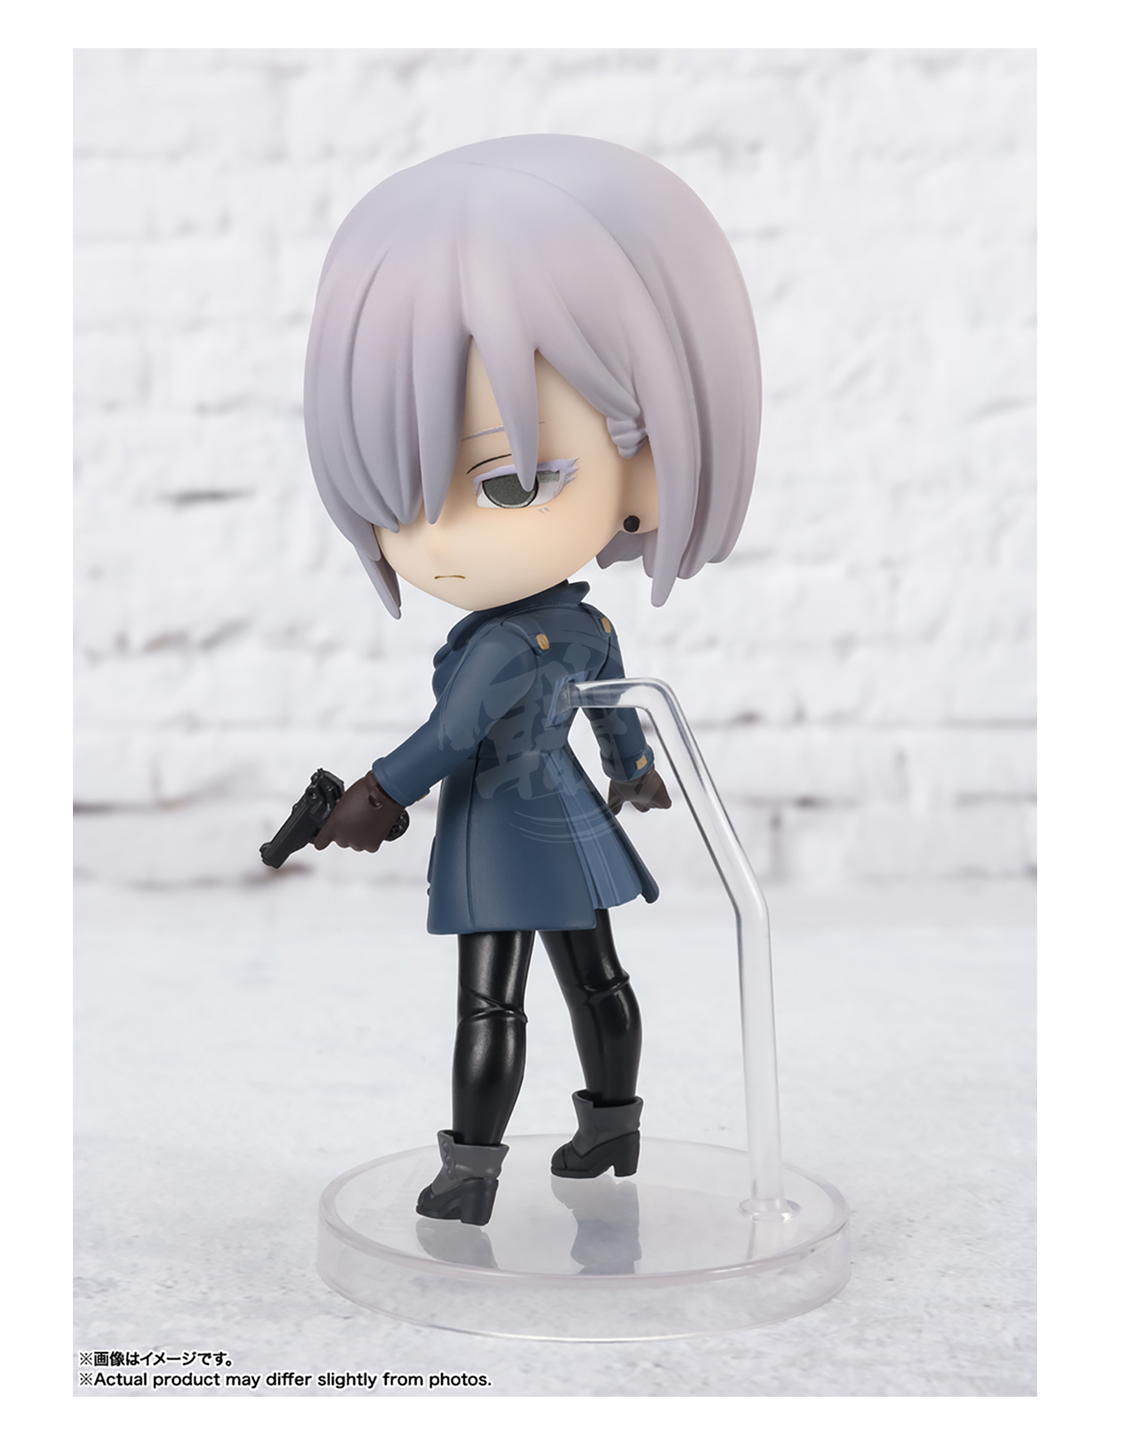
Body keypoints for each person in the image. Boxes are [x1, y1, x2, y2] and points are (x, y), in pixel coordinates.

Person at [301, 135, 761, 1226]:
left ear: (643, 463)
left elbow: (450, 734)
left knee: (490, 1001)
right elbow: (612, 711)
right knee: (595, 974)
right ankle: (613, 1124)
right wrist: (632, 771)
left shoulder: (505, 646)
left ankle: (470, 1170)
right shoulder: (585, 623)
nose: (439, 542)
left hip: (502, 832)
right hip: (571, 821)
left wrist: (375, 792)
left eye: (507, 481)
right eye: (398, 501)